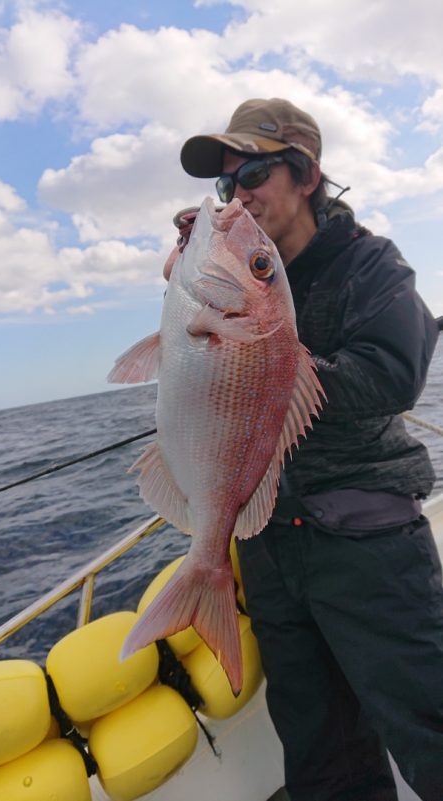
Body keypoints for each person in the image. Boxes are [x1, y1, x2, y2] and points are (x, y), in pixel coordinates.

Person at [173, 98, 443, 801]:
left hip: (366, 540)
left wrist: (263, 356)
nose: (241, 193)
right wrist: (195, 280)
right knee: (321, 757)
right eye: (228, 184)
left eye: (255, 171)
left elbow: (391, 376)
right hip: (268, 547)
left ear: (307, 174)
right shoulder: (233, 275)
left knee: (430, 725)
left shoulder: (371, 265)